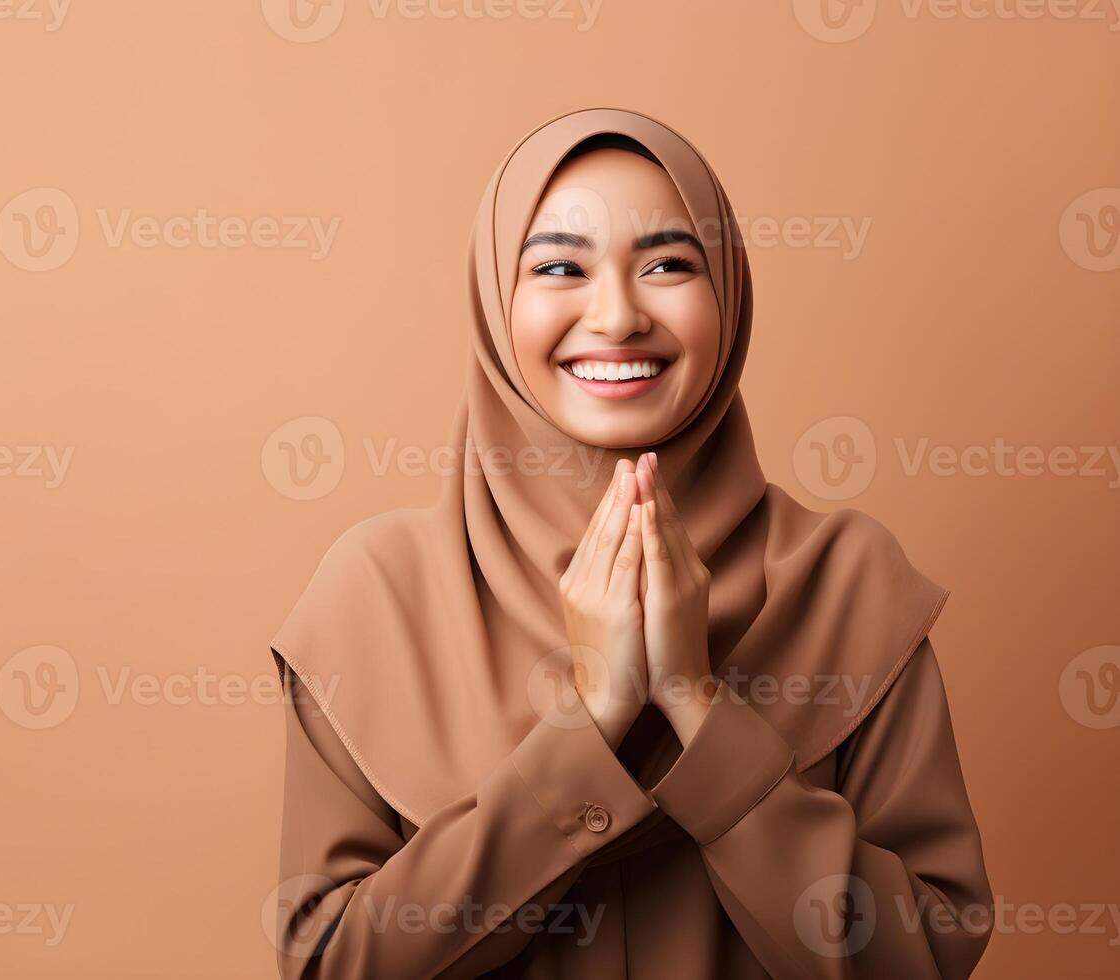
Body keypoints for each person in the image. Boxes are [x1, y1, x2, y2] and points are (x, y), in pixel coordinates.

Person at [267, 108, 993, 979]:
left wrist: (694, 701)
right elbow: (330, 965)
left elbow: (925, 958)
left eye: (667, 265)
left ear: (728, 294)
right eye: (558, 267)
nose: (615, 316)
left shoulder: (847, 581)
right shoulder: (376, 595)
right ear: (494, 305)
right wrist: (592, 721)